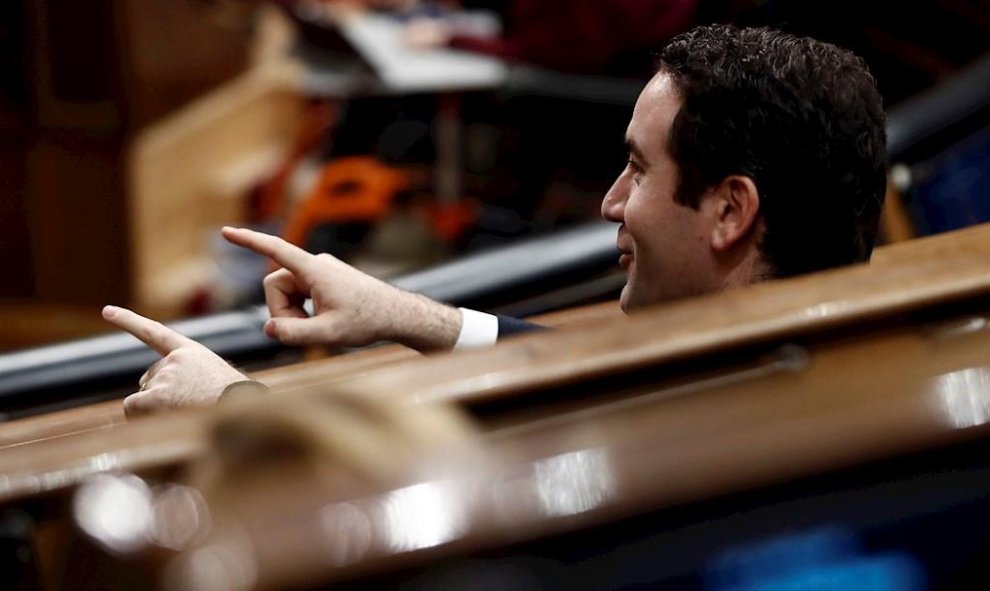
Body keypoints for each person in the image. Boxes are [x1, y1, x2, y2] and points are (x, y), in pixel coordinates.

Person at [103, 24, 887, 415]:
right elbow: (572, 367)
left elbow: (417, 507)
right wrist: (394, 311)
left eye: (640, 170)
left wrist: (238, 409)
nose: (611, 201)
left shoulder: (702, 428)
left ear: (729, 210)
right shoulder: (811, 355)